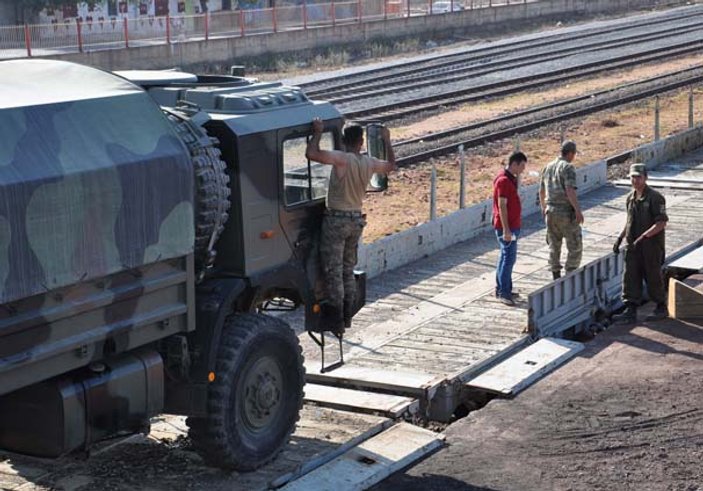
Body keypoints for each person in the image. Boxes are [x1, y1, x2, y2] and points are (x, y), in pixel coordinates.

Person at [306, 118, 396, 331]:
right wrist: (387, 141)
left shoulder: (341, 159)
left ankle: (335, 318)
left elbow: (311, 153)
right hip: (356, 220)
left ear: (344, 140)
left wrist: (317, 133)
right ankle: (347, 314)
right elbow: (391, 166)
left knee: (333, 270)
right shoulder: (369, 163)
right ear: (362, 141)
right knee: (348, 269)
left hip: (336, 220)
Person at [612, 163, 668, 323]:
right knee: (630, 276)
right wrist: (620, 238)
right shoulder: (630, 198)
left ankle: (660, 306)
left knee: (653, 275)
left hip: (650, 246)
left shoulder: (655, 198)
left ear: (645, 178)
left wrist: (644, 237)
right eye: (632, 177)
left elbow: (661, 223)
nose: (635, 180)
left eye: (638, 177)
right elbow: (629, 221)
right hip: (633, 246)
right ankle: (630, 309)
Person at [539, 140, 584, 280]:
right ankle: (570, 274)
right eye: (574, 154)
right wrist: (577, 210)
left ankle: (555, 275)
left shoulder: (548, 167)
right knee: (575, 245)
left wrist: (543, 208)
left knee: (554, 245)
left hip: (550, 211)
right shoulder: (568, 167)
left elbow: (541, 191)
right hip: (565, 213)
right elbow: (570, 190)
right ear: (570, 153)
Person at [493, 151, 528, 306]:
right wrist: (506, 230)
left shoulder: (510, 180)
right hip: (507, 228)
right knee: (509, 258)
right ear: (514, 164)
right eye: (522, 166)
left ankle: (503, 287)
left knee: (505, 257)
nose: (523, 170)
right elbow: (501, 205)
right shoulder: (503, 181)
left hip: (512, 226)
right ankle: (503, 292)